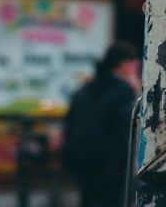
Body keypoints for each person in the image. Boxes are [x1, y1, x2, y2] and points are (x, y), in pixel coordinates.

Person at [62, 41, 141, 207]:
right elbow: (127, 127)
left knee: (88, 199)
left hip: (81, 159)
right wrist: (135, 91)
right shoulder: (123, 90)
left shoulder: (87, 87)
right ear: (124, 64)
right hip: (110, 163)